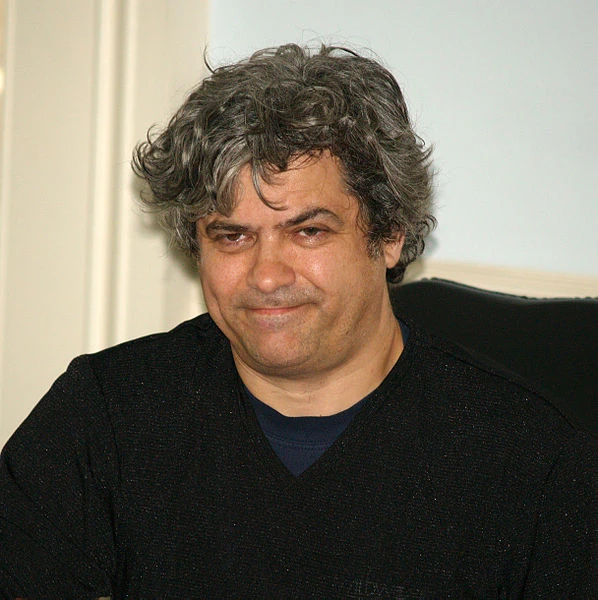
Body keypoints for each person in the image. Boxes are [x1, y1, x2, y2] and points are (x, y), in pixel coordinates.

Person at [0, 43, 595, 598]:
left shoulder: (530, 462)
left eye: (308, 231)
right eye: (232, 236)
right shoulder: (105, 417)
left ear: (390, 234)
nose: (266, 275)